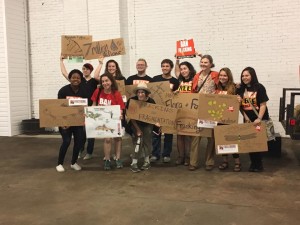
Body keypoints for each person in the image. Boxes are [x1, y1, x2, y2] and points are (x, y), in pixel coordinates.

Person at [60, 56, 104, 160]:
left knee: (91, 132)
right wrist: (61, 61)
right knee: (81, 133)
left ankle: (89, 152)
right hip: (79, 110)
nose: (85, 70)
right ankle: (80, 150)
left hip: (91, 109)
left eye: (87, 69)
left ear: (90, 70)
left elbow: (100, 77)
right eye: (83, 68)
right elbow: (65, 73)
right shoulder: (79, 80)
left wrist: (101, 63)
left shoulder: (94, 81)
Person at [189, 54, 218, 171]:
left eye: (206, 62)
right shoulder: (196, 76)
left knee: (211, 137)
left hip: (212, 110)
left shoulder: (215, 75)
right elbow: (192, 91)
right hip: (198, 109)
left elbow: (223, 84)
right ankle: (193, 162)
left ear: (211, 64)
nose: (203, 64)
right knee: (196, 136)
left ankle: (209, 162)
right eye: (202, 62)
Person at [237, 67, 269, 172]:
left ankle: (258, 164)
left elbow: (263, 104)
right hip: (247, 119)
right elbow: (240, 106)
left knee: (258, 142)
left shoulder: (259, 87)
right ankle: (253, 163)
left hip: (259, 118)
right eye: (243, 76)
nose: (244, 78)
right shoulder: (240, 89)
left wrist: (259, 118)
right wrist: (245, 117)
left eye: (247, 75)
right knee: (249, 142)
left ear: (252, 76)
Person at [91, 73, 125, 170]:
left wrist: (121, 114)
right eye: (103, 81)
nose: (105, 83)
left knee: (117, 139)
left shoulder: (116, 93)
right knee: (107, 139)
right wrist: (90, 114)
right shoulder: (98, 91)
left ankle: (118, 158)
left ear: (111, 81)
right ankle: (107, 159)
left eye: (107, 81)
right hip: (103, 121)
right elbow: (94, 104)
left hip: (115, 120)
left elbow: (121, 108)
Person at [56, 69, 88, 172]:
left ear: (81, 79)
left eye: (78, 78)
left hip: (78, 122)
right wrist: (63, 122)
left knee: (79, 142)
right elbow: (59, 108)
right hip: (65, 122)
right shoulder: (63, 91)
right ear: (69, 78)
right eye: (73, 77)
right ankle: (59, 163)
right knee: (66, 141)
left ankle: (73, 162)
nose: (76, 79)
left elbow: (86, 107)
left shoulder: (83, 91)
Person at [150, 59, 179, 163]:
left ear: (171, 68)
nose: (165, 68)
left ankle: (166, 154)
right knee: (156, 133)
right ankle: (155, 154)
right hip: (157, 110)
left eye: (167, 66)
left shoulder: (175, 81)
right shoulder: (155, 79)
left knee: (168, 133)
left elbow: (178, 96)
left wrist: (176, 93)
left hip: (169, 110)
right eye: (163, 66)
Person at [215, 67, 241, 172]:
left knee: (232, 140)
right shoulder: (216, 87)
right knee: (222, 140)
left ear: (228, 76)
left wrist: (239, 100)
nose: (222, 77)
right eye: (220, 75)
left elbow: (239, 103)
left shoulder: (235, 87)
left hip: (230, 118)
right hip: (219, 117)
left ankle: (237, 162)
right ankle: (225, 161)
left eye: (225, 75)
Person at [126, 83, 155, 172]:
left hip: (147, 124)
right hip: (135, 123)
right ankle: (134, 163)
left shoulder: (151, 101)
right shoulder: (132, 101)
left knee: (147, 142)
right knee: (137, 142)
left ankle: (147, 162)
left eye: (142, 92)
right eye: (138, 92)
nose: (140, 94)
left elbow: (154, 114)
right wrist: (137, 129)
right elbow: (131, 116)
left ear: (146, 94)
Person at [174, 61, 196, 166]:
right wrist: (177, 60)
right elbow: (176, 71)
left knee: (189, 135)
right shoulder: (180, 80)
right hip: (180, 110)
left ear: (190, 69)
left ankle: (188, 156)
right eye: (181, 69)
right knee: (180, 134)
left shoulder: (195, 79)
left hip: (192, 110)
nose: (183, 71)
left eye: (185, 68)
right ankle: (180, 156)